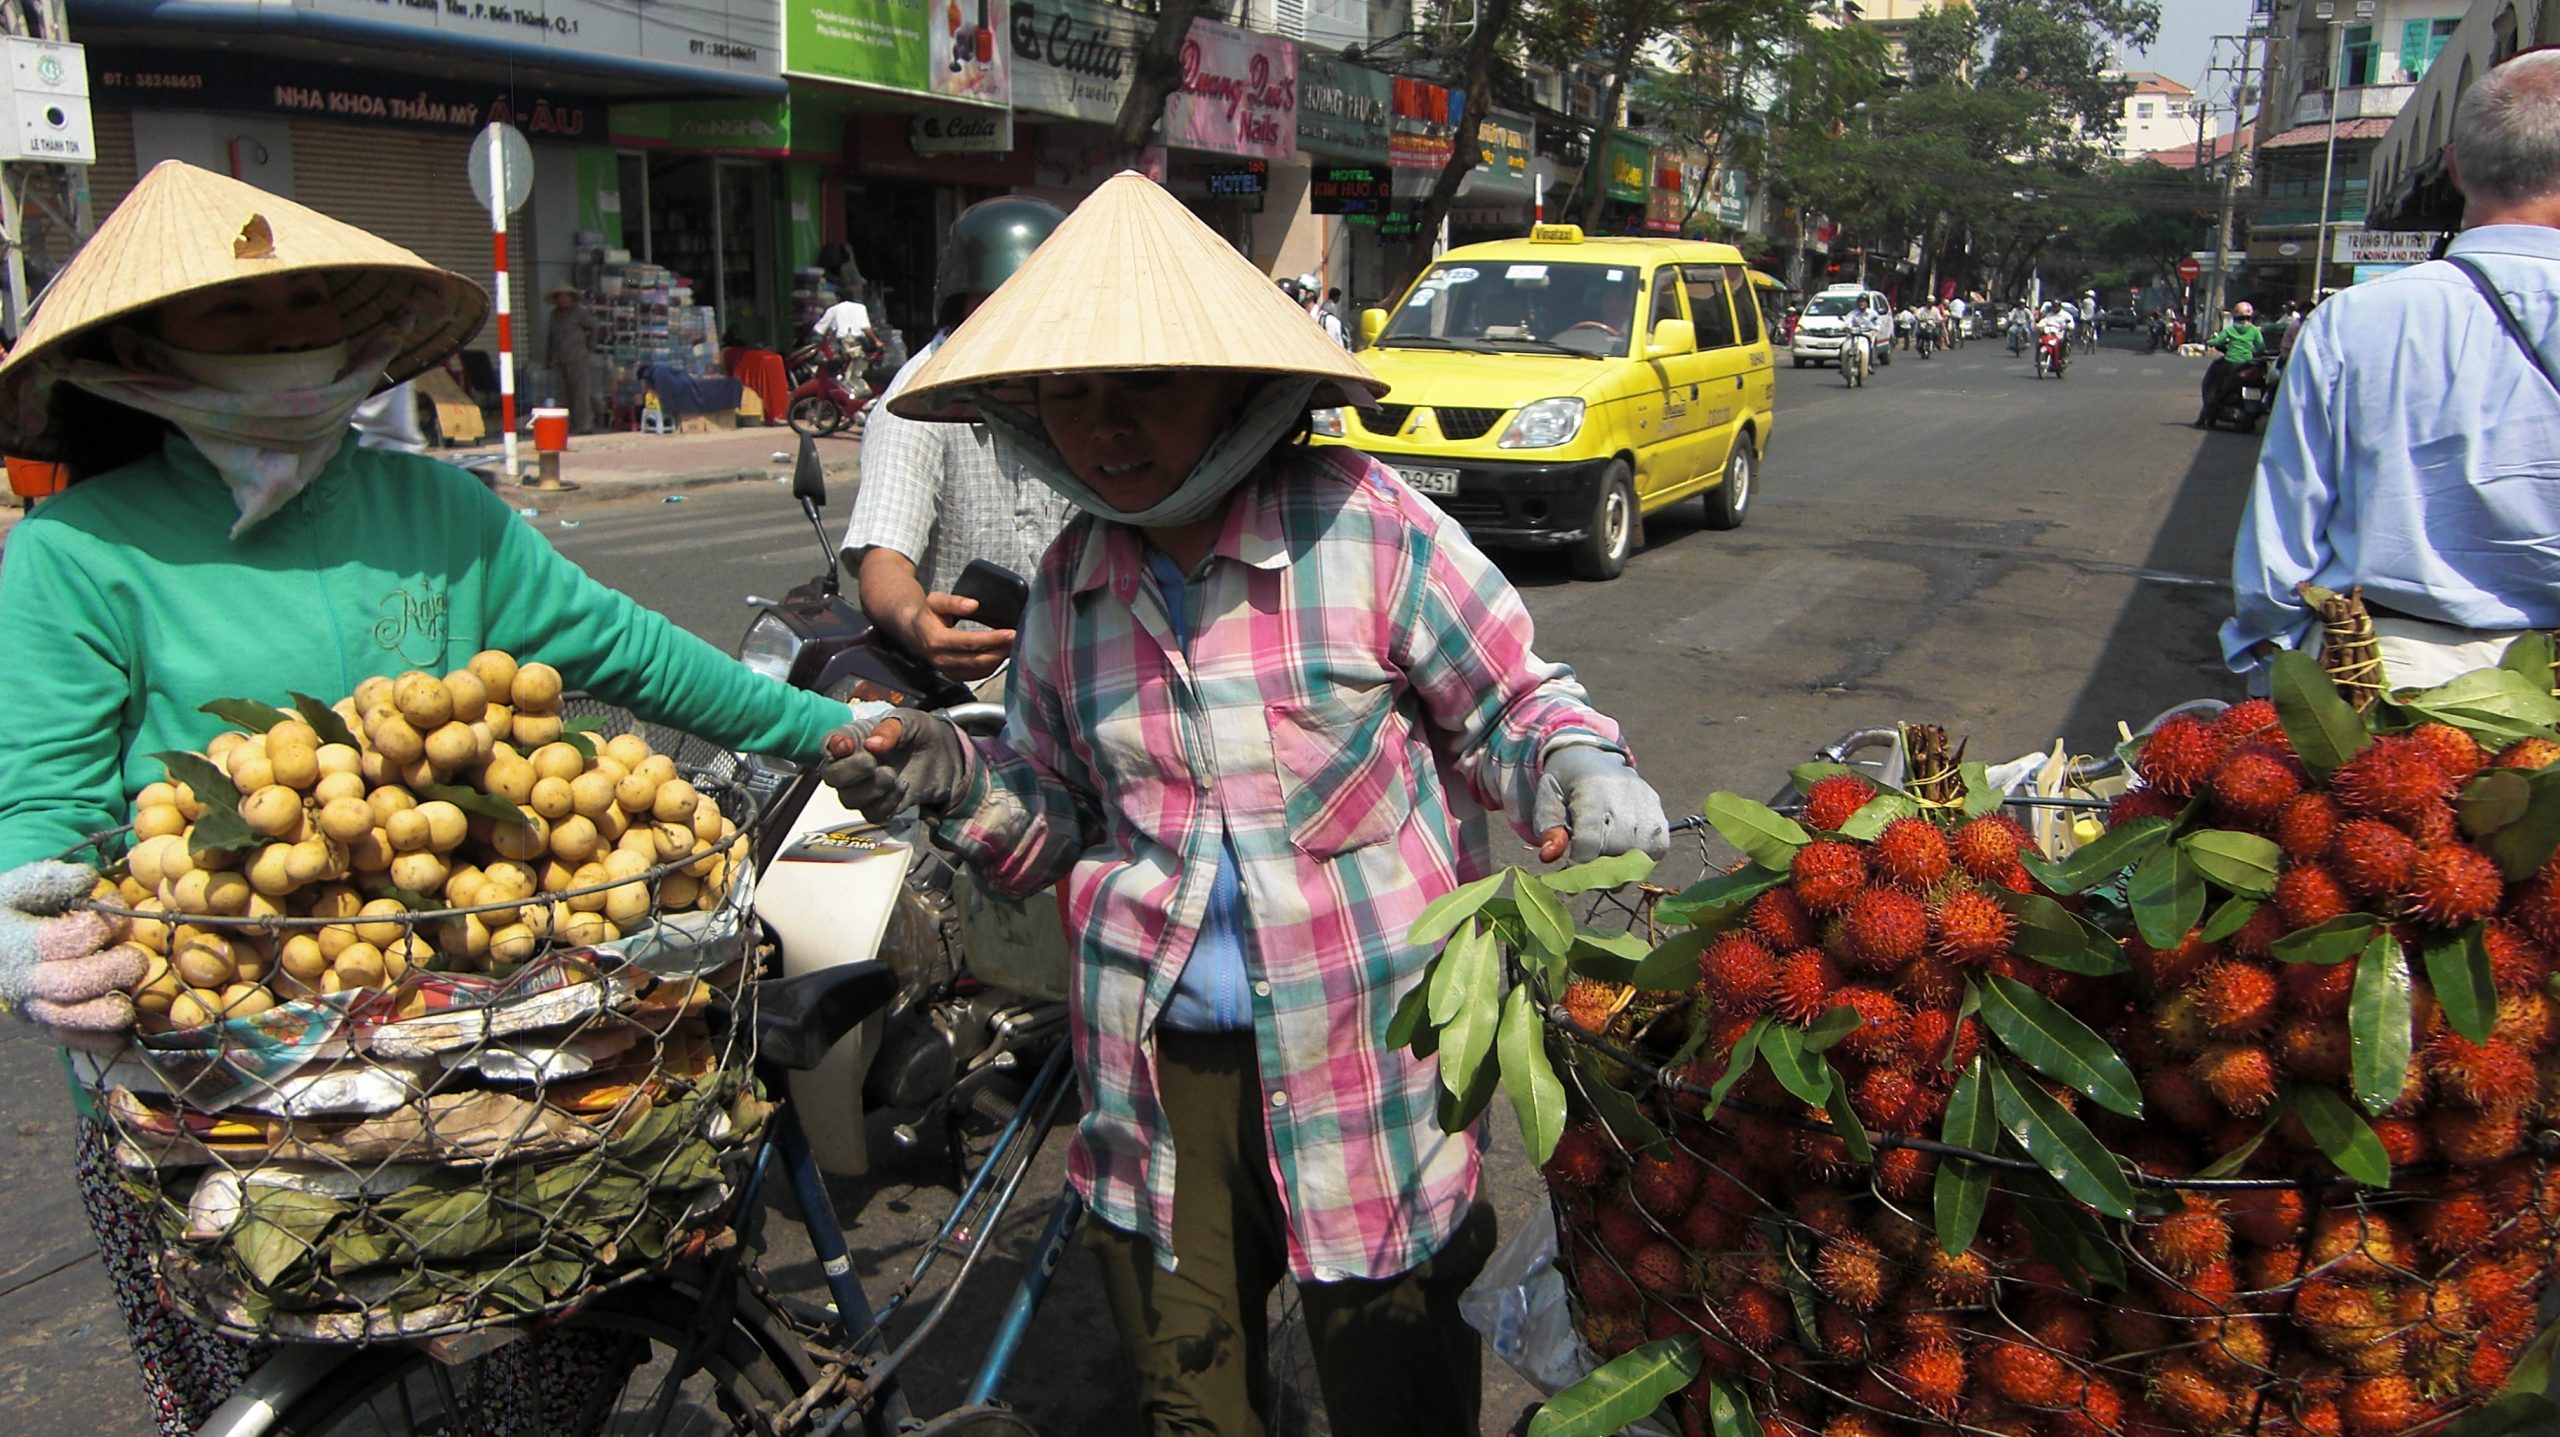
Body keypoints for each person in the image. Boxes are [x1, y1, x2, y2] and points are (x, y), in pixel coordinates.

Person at [0, 161, 876, 1433]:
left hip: (497, 1044)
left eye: (305, 305)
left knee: (544, 1375)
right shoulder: (78, 554)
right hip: (233, 1089)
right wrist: (27, 937)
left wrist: (834, 729)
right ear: (139, 346)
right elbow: (44, 807)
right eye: (235, 316)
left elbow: (629, 650)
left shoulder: (438, 509)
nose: (283, 338)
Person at [818, 172, 1670, 1437]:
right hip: (1159, 1072)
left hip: (1373, 1058)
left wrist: (1575, 769)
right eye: (1071, 393)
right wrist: (950, 780)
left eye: (1144, 387)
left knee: (1395, 1394)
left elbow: (1509, 705)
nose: (1104, 429)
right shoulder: (1070, 584)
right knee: (1190, 1406)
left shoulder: (1371, 530)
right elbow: (1051, 815)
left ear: (1233, 387)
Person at [2226, 49, 2560, 691]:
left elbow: (2282, 549)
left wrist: (2277, 677)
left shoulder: (2353, 320)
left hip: (2375, 678)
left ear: (2456, 168)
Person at [842, 196, 1072, 685]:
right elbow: (884, 559)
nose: (1021, 326)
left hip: (1078, 665)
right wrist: (916, 623)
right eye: (1001, 306)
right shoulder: (917, 401)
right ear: (963, 305)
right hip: (974, 684)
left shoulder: (1070, 383)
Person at [2194, 301, 2266, 427]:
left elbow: (2217, 342)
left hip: (2229, 364)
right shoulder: (2255, 330)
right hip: (2247, 363)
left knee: (2214, 388)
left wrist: (2209, 342)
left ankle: (2205, 414)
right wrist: (2253, 351)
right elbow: (2261, 347)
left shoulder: (2231, 330)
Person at [542, 282, 595, 434]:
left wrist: (589, 346)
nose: (562, 300)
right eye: (559, 297)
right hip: (559, 358)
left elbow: (594, 327)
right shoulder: (554, 315)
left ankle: (584, 425)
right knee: (562, 394)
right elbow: (551, 337)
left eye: (564, 296)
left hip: (578, 357)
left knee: (580, 392)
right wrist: (548, 357)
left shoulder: (580, 312)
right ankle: (567, 424)